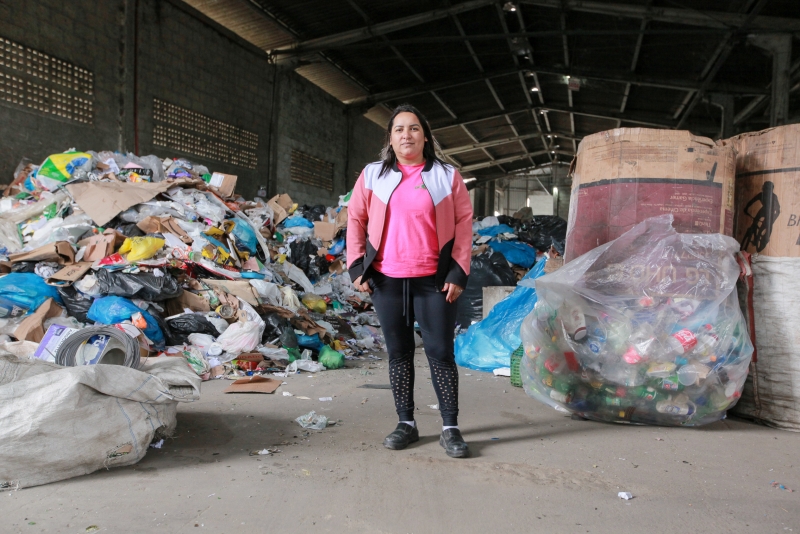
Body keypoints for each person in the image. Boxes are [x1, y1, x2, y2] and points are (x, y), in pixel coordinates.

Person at [346, 104, 474, 458]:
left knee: (440, 353)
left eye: (414, 128)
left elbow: (464, 224)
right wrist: (357, 266)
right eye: (399, 129)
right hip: (387, 280)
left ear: (425, 136)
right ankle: (407, 423)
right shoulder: (373, 175)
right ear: (390, 138)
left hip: (434, 280)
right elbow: (355, 219)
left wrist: (459, 271)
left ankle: (450, 428)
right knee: (399, 354)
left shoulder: (446, 176)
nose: (407, 135)